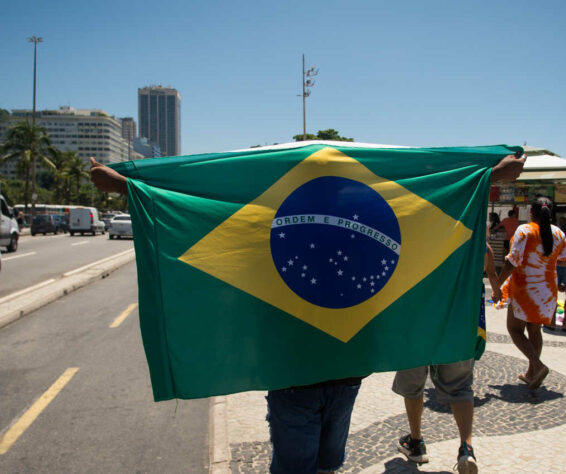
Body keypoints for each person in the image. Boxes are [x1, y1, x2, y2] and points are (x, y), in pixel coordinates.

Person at [89, 152, 526, 474]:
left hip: (293, 378)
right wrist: (488, 176)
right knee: (325, 465)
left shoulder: (270, 247)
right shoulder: (363, 255)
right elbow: (422, 214)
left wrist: (126, 187)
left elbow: (201, 213)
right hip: (344, 378)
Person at [393, 243, 500, 474]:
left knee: (413, 387)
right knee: (460, 387)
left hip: (418, 320)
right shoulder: (478, 245)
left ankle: (416, 442)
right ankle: (466, 447)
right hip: (458, 324)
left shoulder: (420, 231)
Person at [495, 197, 566, 389]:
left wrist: (498, 284)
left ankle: (538, 366)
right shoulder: (559, 233)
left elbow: (512, 260)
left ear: (531, 213)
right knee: (534, 330)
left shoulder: (525, 230)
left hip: (525, 288)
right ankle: (531, 373)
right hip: (547, 290)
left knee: (515, 329)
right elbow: (565, 261)